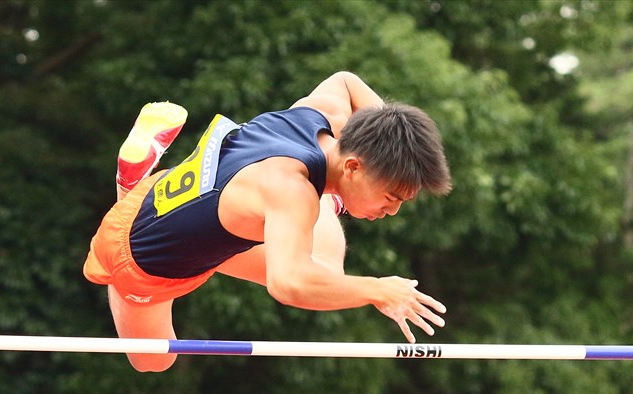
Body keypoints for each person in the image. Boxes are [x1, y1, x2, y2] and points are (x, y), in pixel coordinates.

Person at [84, 71, 452, 372]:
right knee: (154, 361)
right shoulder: (292, 193)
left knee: (325, 267)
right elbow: (289, 285)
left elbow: (346, 80)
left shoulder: (323, 115)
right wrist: (378, 290)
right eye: (392, 198)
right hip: (140, 256)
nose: (393, 211)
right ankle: (127, 185)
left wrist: (395, 133)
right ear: (354, 167)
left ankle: (138, 185)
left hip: (175, 197)